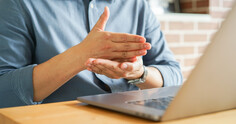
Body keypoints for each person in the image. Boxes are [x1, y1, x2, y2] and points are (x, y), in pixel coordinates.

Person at [0, 0, 182, 108]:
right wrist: (80, 56)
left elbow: (174, 75)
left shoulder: (137, 4)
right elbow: (4, 94)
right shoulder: (18, 4)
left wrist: (139, 74)